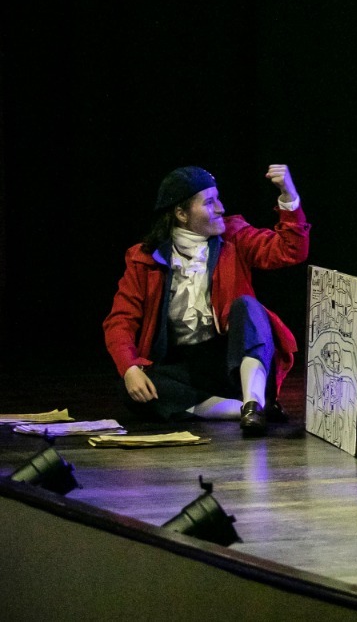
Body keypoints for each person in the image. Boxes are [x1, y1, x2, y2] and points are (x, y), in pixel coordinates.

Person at [104, 164, 310, 435]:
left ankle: (253, 400)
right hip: (188, 369)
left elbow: (290, 250)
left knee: (247, 306)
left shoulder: (234, 236)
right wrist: (130, 368)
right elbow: (120, 321)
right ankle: (246, 410)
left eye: (218, 199)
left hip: (236, 364)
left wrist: (288, 195)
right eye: (209, 202)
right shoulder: (144, 258)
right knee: (132, 387)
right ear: (181, 214)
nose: (221, 208)